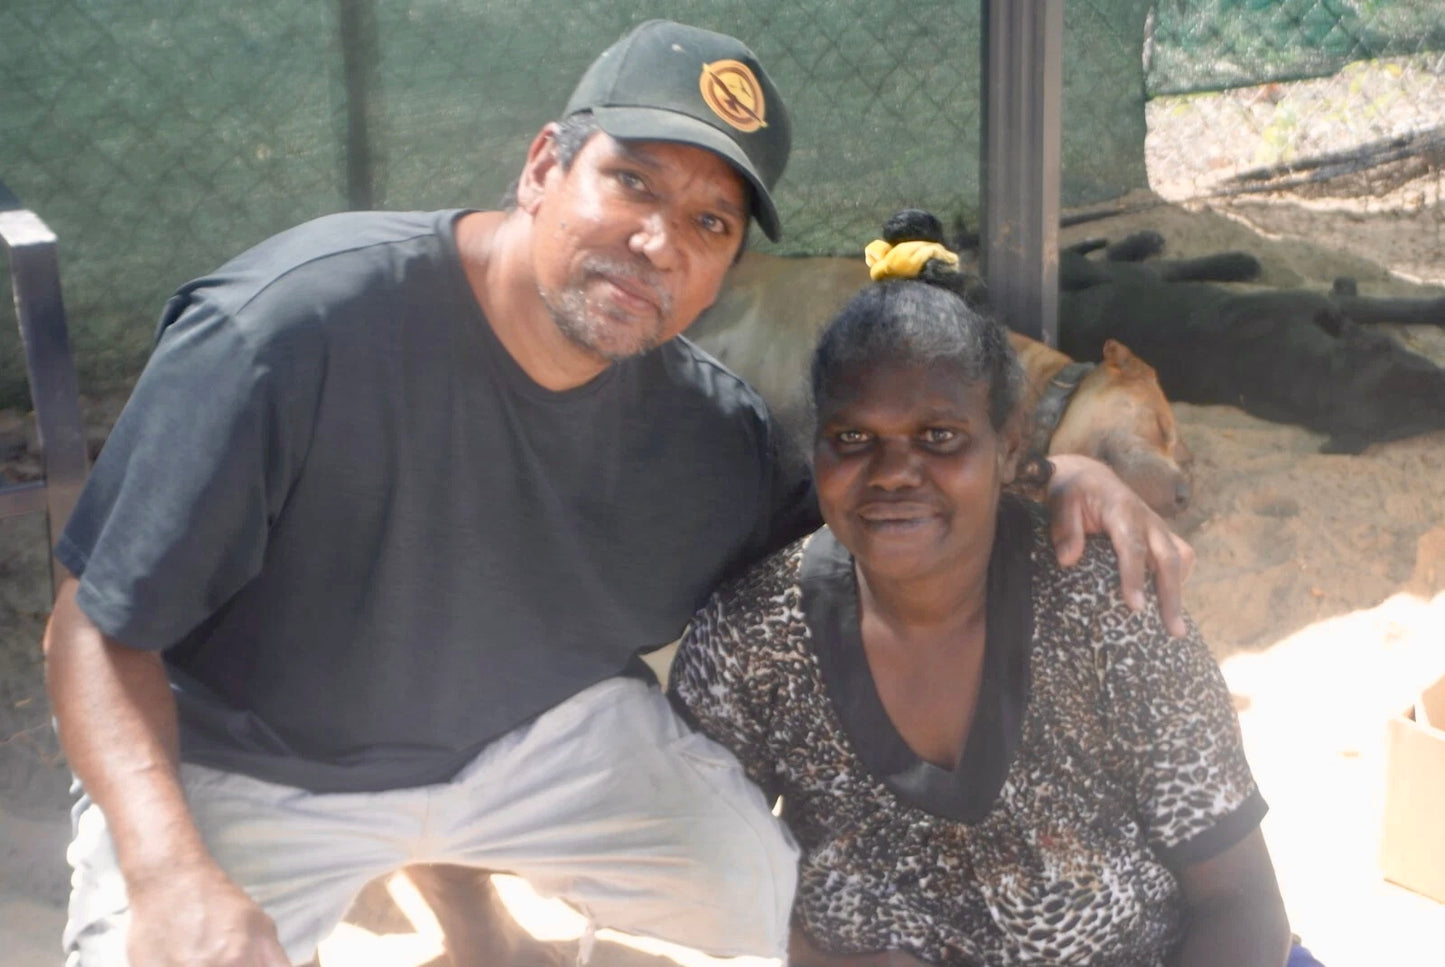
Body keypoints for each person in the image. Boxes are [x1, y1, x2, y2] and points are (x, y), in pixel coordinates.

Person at [42, 21, 1191, 967]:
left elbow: (878, 508)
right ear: (543, 164)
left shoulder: (704, 433)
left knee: (752, 892)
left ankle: (479, 928)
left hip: (527, 747)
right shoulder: (292, 330)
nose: (656, 242)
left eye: (707, 223)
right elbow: (91, 630)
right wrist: (168, 868)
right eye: (629, 180)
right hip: (255, 763)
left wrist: (1055, 470)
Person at [669, 212, 1291, 967]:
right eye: (853, 438)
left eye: (938, 437)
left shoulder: (1110, 610)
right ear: (816, 444)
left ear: (1009, 443)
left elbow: (1241, 905)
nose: (893, 471)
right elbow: (697, 864)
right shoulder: (749, 643)